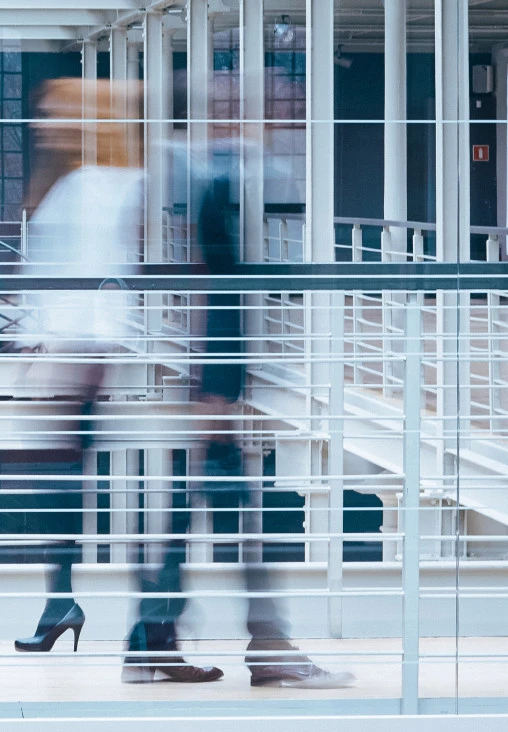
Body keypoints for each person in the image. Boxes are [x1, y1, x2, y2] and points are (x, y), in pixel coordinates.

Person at [124, 141, 354, 688]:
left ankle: (158, 638)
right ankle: (255, 644)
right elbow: (215, 282)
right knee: (228, 515)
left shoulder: (208, 175)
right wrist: (219, 391)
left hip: (216, 379)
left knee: (208, 513)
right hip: (215, 381)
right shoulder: (209, 180)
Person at [8, 78, 142, 657]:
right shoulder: (85, 181)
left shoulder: (93, 185)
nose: (40, 124)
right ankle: (59, 602)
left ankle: (66, 603)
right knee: (58, 488)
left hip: (75, 355)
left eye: (51, 112)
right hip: (70, 352)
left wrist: (55, 350)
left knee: (59, 486)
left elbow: (95, 281)